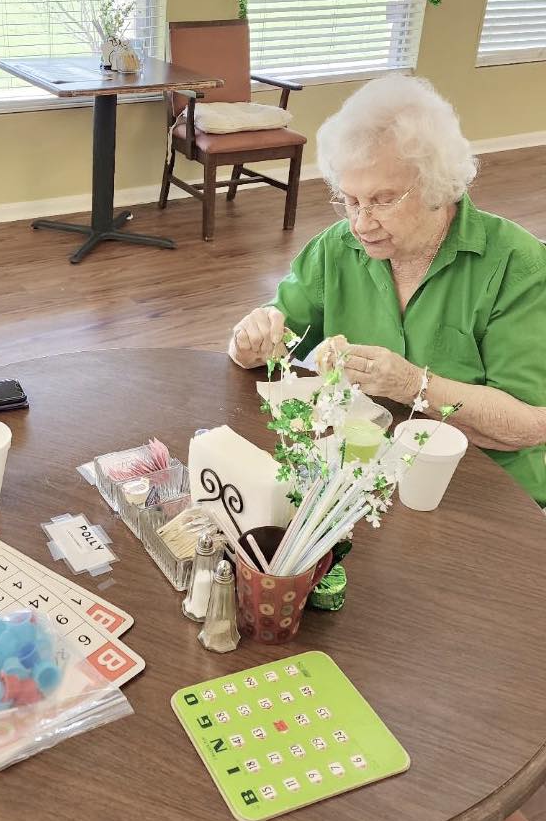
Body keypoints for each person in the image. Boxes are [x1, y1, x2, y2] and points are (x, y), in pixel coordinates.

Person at [228, 75, 546, 508]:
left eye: (382, 200)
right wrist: (249, 342)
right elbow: (273, 335)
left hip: (483, 489)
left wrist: (414, 384)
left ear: (437, 186)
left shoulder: (518, 265)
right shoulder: (335, 249)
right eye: (350, 200)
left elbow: (528, 425)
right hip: (365, 472)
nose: (361, 223)